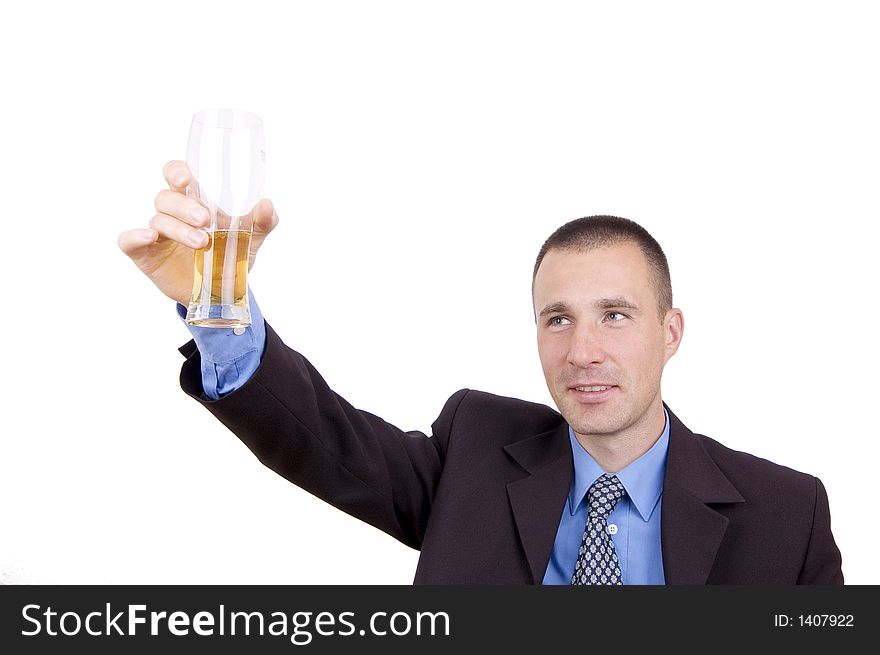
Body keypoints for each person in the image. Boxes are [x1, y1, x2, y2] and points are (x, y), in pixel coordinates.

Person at [119, 161, 844, 584]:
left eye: (615, 316)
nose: (582, 350)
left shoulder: (788, 515)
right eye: (557, 318)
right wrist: (218, 306)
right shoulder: (473, 452)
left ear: (671, 332)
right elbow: (327, 442)